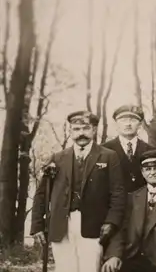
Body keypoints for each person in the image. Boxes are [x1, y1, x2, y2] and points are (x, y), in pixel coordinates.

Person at [30, 111, 126, 272]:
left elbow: (117, 193)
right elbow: (42, 194)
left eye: (86, 128)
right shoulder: (58, 158)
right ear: (70, 131)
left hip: (93, 224)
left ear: (94, 130)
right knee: (64, 267)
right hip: (61, 223)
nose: (81, 133)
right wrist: (37, 225)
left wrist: (111, 222)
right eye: (76, 129)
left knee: (90, 267)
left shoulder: (108, 156)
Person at [101, 151, 156, 272]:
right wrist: (114, 255)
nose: (152, 173)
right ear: (143, 173)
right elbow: (121, 230)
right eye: (148, 169)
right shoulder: (132, 197)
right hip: (133, 256)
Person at [103, 105, 155, 193]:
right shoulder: (104, 149)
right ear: (116, 124)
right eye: (123, 120)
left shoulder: (151, 150)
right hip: (113, 203)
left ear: (139, 125)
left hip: (142, 203)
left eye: (133, 120)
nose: (128, 124)